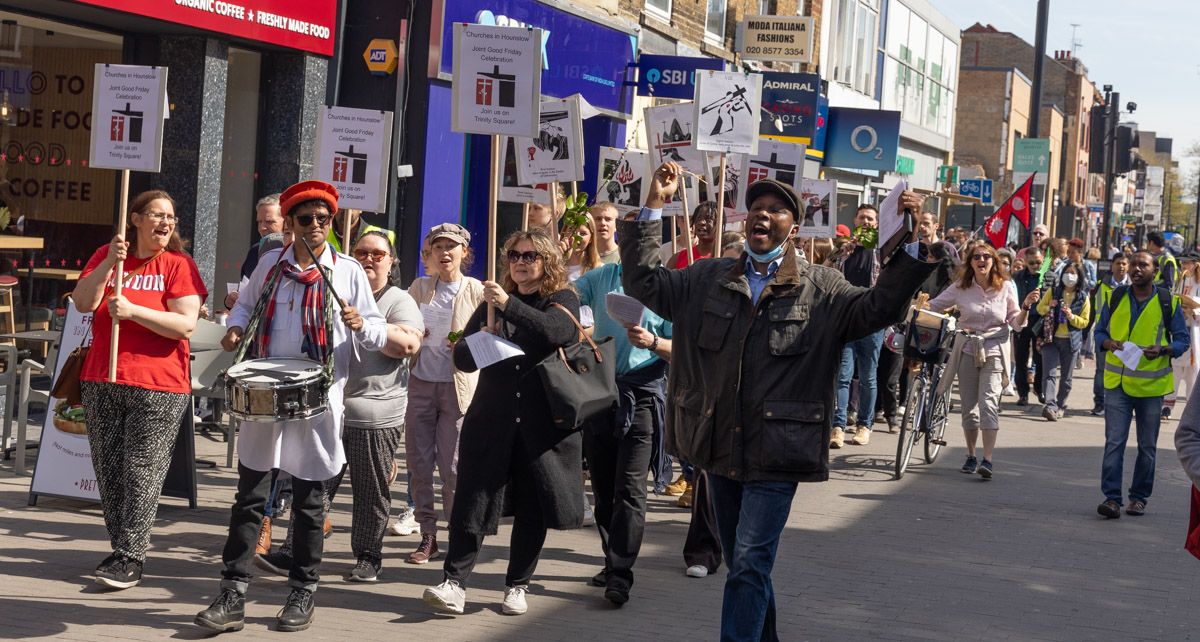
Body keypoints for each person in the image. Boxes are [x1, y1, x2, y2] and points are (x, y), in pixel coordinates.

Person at [618, 161, 936, 640]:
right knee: (746, 565)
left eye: (776, 209)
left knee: (749, 561)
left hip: (779, 450)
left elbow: (879, 307)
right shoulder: (706, 277)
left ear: (794, 227)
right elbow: (644, 281)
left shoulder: (823, 288)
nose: (762, 214)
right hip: (718, 445)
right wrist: (653, 204)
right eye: (756, 208)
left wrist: (909, 243)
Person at [194, 180, 388, 633]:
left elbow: (378, 334)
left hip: (318, 397)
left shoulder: (347, 272)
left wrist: (361, 324)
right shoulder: (269, 265)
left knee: (309, 502)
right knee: (250, 497)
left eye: (324, 218)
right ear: (291, 222)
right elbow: (243, 308)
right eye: (306, 219)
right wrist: (235, 330)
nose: (316, 225)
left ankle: (303, 590)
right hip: (265, 394)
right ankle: (232, 593)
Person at [423, 229, 584, 617]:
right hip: (491, 419)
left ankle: (517, 585)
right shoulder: (491, 304)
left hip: (539, 424)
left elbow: (556, 331)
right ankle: (454, 583)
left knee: (532, 506)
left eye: (530, 256)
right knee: (473, 500)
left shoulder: (561, 298)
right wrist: (481, 338)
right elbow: (462, 359)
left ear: (547, 261)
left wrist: (508, 304)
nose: (520, 262)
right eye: (514, 255)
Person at [75, 190, 207, 590]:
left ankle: (131, 556)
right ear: (135, 219)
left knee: (141, 471)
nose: (166, 223)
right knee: (109, 471)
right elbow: (83, 302)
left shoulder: (178, 264)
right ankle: (122, 549)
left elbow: (185, 324)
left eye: (171, 217)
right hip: (102, 378)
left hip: (159, 384)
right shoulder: (107, 255)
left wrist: (133, 311)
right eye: (157, 215)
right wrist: (107, 265)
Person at [573, 259, 673, 605]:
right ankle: (611, 559)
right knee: (603, 491)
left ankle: (620, 574)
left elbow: (682, 349)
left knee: (630, 490)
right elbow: (566, 294)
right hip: (601, 394)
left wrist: (653, 341)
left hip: (642, 398)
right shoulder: (603, 275)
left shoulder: (667, 285)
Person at [404, 223, 484, 564]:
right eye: (438, 247)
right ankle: (428, 534)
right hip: (421, 382)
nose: (444, 253)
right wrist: (413, 334)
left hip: (458, 386)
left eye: (451, 247)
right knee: (419, 464)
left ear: (464, 252)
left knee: (453, 468)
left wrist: (465, 345)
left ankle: (457, 533)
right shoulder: (420, 286)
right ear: (431, 254)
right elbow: (403, 326)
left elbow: (490, 335)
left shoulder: (477, 289)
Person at [926, 242, 1038, 478]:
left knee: (988, 404)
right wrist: (913, 304)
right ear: (970, 262)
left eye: (986, 256)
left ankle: (987, 460)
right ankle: (970, 455)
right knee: (969, 409)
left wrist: (1026, 306)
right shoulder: (960, 287)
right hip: (967, 348)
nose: (981, 260)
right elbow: (935, 305)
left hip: (994, 349)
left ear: (993, 261)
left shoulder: (1005, 286)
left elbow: (1016, 323)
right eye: (976, 256)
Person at [1094, 250, 1189, 519]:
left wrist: (1163, 350)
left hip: (1151, 388)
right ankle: (1112, 499)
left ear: (1155, 271)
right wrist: (1108, 343)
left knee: (1147, 446)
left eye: (1142, 265)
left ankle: (1138, 498)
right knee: (1114, 443)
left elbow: (1182, 340)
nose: (1136, 268)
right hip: (1118, 384)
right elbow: (1099, 331)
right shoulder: (1116, 297)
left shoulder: (1167, 301)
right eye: (1133, 264)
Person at [827, 204, 884, 447]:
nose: (866, 222)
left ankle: (864, 425)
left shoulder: (881, 251)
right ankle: (838, 426)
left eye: (870, 219)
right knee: (843, 376)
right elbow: (825, 269)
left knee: (869, 377)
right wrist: (839, 251)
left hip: (871, 321)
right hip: (846, 318)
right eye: (862, 218)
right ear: (855, 220)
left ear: (877, 223)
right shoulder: (843, 249)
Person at [1036, 261, 1091, 421]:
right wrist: (1049, 306)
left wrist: (1071, 316)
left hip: (1071, 342)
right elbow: (1040, 308)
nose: (1069, 276)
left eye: (1073, 273)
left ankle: (1060, 405)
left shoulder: (1083, 297)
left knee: (1066, 377)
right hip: (1050, 339)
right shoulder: (1054, 291)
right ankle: (1050, 405)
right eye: (1067, 272)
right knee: (1049, 373)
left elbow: (1084, 322)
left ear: (1079, 277)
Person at [225, 194, 282, 310]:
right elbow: (245, 291)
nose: (262, 227)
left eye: (269, 222)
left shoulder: (297, 254)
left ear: (288, 223)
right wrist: (231, 299)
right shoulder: (254, 251)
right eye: (259, 222)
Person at [1092, 252, 1130, 416]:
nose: (1121, 266)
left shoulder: (1134, 286)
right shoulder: (1101, 285)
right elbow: (1093, 310)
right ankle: (1099, 403)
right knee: (1101, 370)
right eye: (1118, 263)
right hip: (1104, 335)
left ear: (1128, 266)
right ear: (1112, 265)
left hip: (1126, 336)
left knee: (1125, 370)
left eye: (1124, 263)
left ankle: (1121, 404)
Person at [1166, 250, 1200, 420]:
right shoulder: (1179, 280)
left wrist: (1194, 310)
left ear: (1195, 264)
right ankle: (1167, 406)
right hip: (1180, 328)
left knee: (1192, 374)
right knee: (1174, 369)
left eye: (1187, 262)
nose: (1183, 265)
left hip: (1194, 330)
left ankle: (1191, 411)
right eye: (1182, 262)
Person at [1013, 247, 1046, 406]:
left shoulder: (1049, 276)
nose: (1035, 266)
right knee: (1021, 358)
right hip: (1022, 319)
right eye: (1031, 263)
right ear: (1025, 262)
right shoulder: (1017, 277)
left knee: (1041, 359)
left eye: (1038, 262)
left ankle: (1039, 389)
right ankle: (1023, 394)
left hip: (1041, 322)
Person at [672, 201, 720, 268]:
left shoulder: (726, 257)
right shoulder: (677, 258)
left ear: (720, 223)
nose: (701, 222)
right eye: (698, 218)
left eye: (708, 219)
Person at [327, 207, 395, 254]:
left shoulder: (385, 236)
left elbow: (393, 270)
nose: (347, 208)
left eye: (353, 203)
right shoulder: (323, 234)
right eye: (342, 203)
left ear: (360, 209)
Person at [564, 210, 602, 281]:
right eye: (572, 232)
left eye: (583, 233)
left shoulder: (599, 269)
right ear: (564, 233)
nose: (576, 237)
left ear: (591, 238)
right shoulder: (554, 265)